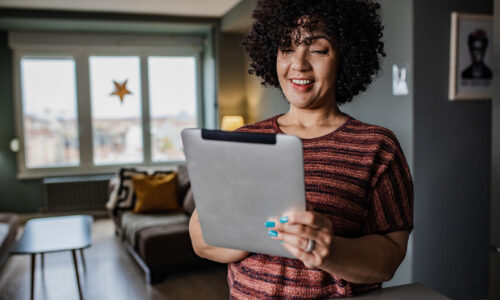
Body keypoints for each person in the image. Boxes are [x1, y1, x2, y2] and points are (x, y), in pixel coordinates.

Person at [189, 0, 413, 298]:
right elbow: (201, 239)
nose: (299, 64)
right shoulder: (242, 140)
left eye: (318, 49)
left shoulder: (377, 146)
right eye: (287, 48)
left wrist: (327, 249)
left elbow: (389, 258)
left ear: (345, 55)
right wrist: (257, 230)